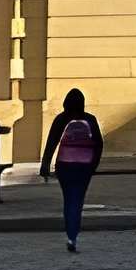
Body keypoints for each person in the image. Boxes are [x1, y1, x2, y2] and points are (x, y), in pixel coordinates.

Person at [38, 88, 102, 253]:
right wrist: (93, 165)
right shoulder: (90, 119)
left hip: (65, 164)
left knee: (68, 200)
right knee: (78, 200)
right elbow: (99, 144)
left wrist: (45, 164)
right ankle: (73, 236)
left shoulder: (62, 119)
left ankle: (70, 234)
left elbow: (52, 142)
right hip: (84, 166)